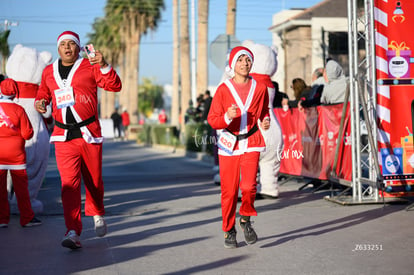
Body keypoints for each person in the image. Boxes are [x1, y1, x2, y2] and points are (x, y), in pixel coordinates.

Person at [34, 31, 122, 249]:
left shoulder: (89, 66)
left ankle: (97, 212)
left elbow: (114, 86)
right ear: (58, 48)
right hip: (64, 136)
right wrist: (41, 102)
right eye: (63, 44)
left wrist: (104, 65)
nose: (66, 47)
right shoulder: (48, 71)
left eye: (71, 44)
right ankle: (73, 231)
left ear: (78, 47)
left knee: (93, 181)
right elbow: (42, 93)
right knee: (68, 185)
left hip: (88, 133)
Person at [207, 46, 270, 249]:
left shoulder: (260, 88)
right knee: (229, 191)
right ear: (233, 64)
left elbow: (264, 111)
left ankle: (245, 218)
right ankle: (229, 229)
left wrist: (266, 120)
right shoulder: (224, 89)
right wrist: (228, 117)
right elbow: (213, 119)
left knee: (249, 186)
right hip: (229, 144)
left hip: (251, 141)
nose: (244, 64)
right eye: (240, 60)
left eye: (248, 60)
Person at [0, 78, 42, 228]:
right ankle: (27, 218)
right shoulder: (19, 110)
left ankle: (2, 220)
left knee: (0, 189)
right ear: (15, 93)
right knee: (21, 190)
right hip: (16, 156)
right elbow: (27, 133)